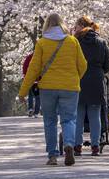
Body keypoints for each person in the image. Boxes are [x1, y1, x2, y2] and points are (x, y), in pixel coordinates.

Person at [19, 14, 88, 166]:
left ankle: (52, 155)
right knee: (69, 119)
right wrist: (75, 78)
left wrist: (23, 92)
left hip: (48, 88)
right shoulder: (72, 41)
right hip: (70, 87)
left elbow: (33, 69)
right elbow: (83, 65)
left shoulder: (42, 43)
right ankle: (69, 144)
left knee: (50, 121)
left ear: (47, 26)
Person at [73, 16, 109, 155]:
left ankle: (77, 145)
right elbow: (107, 64)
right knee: (95, 114)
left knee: (78, 114)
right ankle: (95, 145)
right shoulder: (101, 42)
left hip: (79, 79)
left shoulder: (75, 42)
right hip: (96, 79)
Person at [21, 51, 39, 116]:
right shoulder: (39, 57)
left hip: (29, 80)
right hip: (37, 80)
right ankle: (36, 112)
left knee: (30, 95)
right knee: (37, 96)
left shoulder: (29, 57)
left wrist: (25, 76)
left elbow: (24, 67)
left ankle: (30, 109)